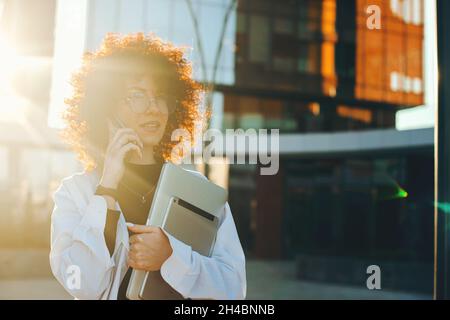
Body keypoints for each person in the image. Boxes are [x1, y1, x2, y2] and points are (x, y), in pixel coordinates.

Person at [49, 33, 246, 300]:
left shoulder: (200, 191)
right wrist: (106, 189)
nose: (154, 108)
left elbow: (233, 288)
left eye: (162, 96)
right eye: (137, 95)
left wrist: (171, 256)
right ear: (107, 107)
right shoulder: (75, 192)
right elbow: (80, 283)